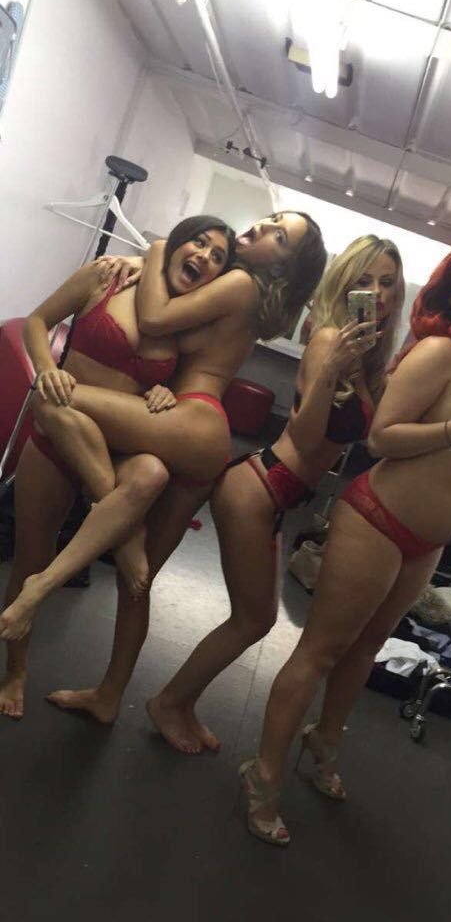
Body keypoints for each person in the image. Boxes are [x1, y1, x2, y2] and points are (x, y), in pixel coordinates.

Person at [238, 237, 451, 846]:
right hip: (377, 519)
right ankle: (263, 773)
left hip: (429, 542)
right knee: (322, 650)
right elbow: (381, 438)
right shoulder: (439, 351)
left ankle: (325, 740)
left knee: (369, 645)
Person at [0, 212, 327, 720]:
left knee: (54, 400)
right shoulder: (225, 282)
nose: (264, 228)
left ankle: (107, 549)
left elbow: (154, 318)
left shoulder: (240, 284)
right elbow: (169, 312)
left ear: (282, 267)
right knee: (139, 581)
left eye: (279, 236)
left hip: (194, 420)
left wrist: (153, 251)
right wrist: (144, 261)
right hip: (183, 422)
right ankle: (110, 695)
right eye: (271, 220)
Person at [146, 235, 405, 753]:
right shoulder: (329, 340)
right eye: (364, 281)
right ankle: (169, 703)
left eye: (387, 283)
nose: (376, 293)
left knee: (254, 619)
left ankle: (179, 703)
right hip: (259, 486)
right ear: (344, 285)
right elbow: (306, 437)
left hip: (278, 493)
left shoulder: (365, 356)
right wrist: (332, 369)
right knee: (254, 620)